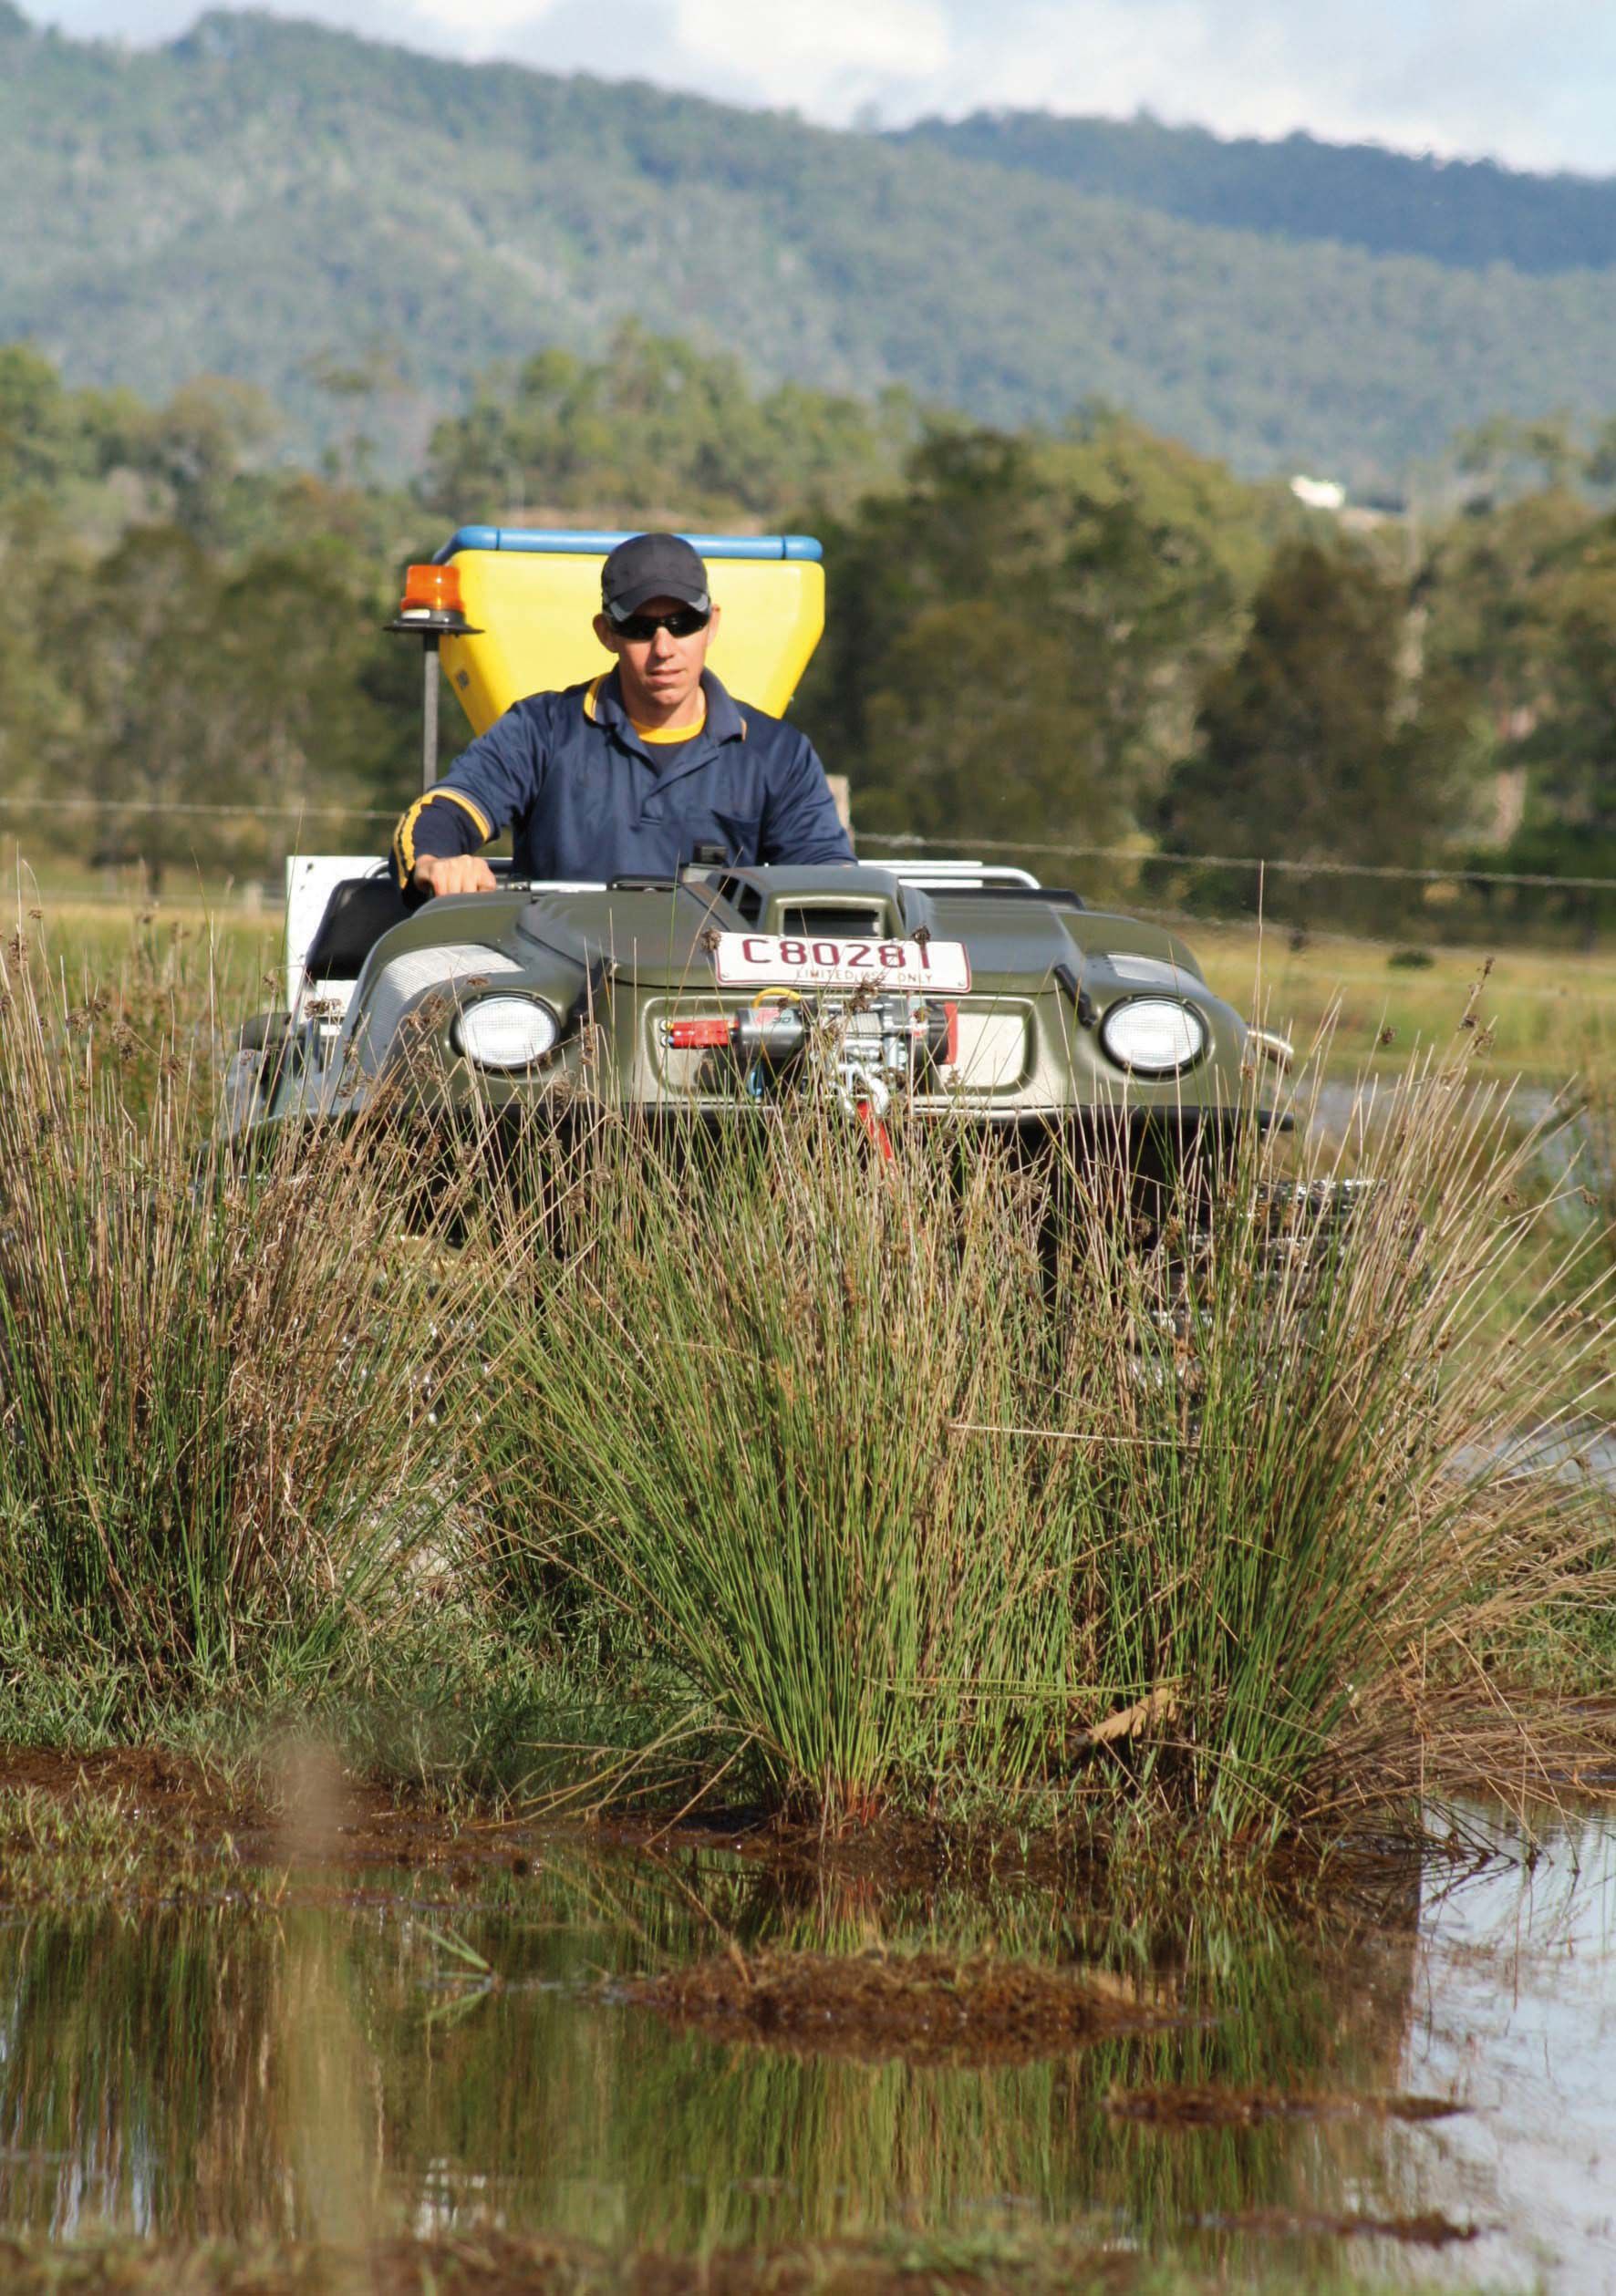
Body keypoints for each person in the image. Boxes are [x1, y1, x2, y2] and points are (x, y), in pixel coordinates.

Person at [392, 532, 853, 897]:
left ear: (712, 623)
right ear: (605, 633)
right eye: (639, 628)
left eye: (682, 624)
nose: (664, 649)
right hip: (567, 997)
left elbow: (828, 886)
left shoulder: (779, 754)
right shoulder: (539, 731)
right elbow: (445, 811)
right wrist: (436, 863)